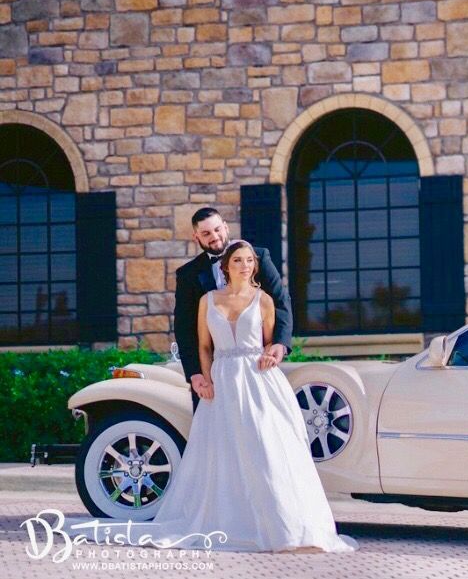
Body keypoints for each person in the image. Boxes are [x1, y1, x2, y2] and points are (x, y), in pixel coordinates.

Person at [135, 240, 356, 552]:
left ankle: (285, 527)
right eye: (238, 260)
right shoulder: (207, 300)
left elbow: (270, 341)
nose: (245, 265)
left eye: (250, 260)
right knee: (223, 453)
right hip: (222, 383)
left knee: (266, 450)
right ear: (227, 266)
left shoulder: (263, 300)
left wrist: (272, 354)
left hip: (258, 382)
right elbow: (203, 347)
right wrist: (206, 379)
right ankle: (232, 522)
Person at [174, 207, 292, 411]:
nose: (214, 237)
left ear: (226, 227)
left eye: (217, 229)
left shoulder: (258, 257)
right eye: (206, 233)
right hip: (212, 373)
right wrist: (196, 374)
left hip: (257, 368)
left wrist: (280, 344)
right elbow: (184, 329)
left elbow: (281, 302)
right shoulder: (188, 275)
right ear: (196, 237)